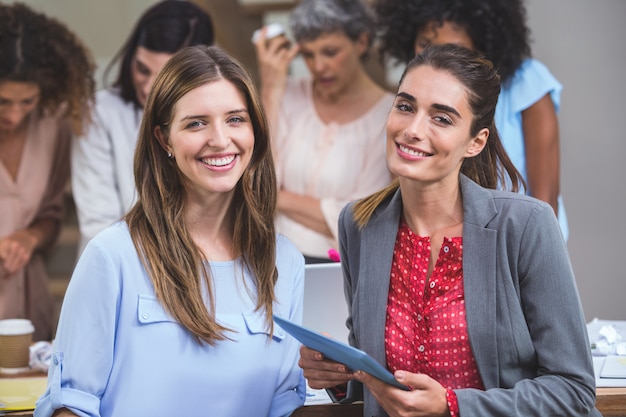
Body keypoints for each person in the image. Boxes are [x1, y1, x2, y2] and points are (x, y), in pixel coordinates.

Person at [299, 44, 599, 417]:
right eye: (405, 106)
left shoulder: (526, 226)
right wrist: (340, 375)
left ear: (475, 142)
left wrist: (452, 405)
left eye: (441, 118)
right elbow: (379, 373)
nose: (412, 130)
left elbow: (572, 390)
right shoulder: (359, 225)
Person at [35, 45, 306, 417]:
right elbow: (70, 405)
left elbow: (283, 402)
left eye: (235, 119)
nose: (220, 139)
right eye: (196, 123)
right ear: (164, 140)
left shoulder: (284, 261)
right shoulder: (113, 256)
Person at [372, 0, 569, 240]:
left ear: (485, 47)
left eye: (454, 48)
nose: (438, 58)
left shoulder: (527, 84)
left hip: (518, 244)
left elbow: (545, 198)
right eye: (425, 44)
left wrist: (525, 258)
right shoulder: (415, 90)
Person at [254, 0, 394, 263]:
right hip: (264, 256)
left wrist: (274, 197)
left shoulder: (389, 115)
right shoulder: (287, 94)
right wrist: (271, 93)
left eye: (330, 52)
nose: (318, 66)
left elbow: (359, 217)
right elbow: (256, 181)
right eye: (308, 54)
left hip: (335, 269)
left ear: (361, 42)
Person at [72, 0, 214, 254]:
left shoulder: (215, 118)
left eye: (163, 77)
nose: (148, 87)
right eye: (142, 69)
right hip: (121, 264)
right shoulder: (101, 112)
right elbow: (98, 222)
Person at [0, 3, 95, 341]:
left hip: (28, 311)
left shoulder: (52, 126)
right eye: (3, 101)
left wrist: (29, 238)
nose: (14, 115)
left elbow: (52, 216)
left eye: (27, 101)